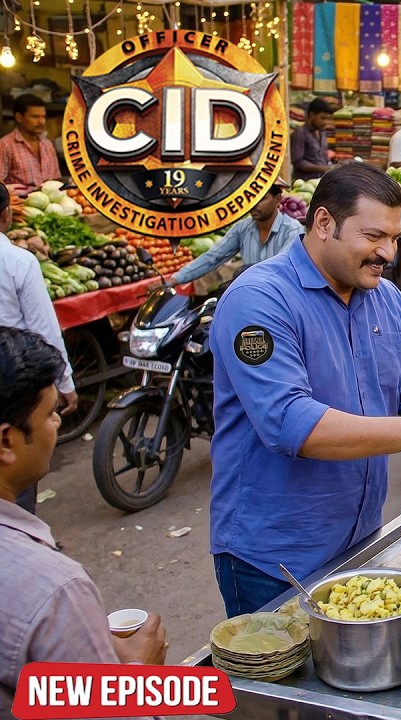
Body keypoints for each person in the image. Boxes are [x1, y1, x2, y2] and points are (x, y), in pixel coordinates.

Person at [208, 164, 401, 615]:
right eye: (373, 237)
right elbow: (292, 425)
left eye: (395, 239)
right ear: (324, 223)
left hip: (360, 539)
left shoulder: (387, 300)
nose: (387, 252)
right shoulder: (259, 300)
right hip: (272, 556)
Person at [0, 328, 170, 715]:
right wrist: (140, 674)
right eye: (48, 415)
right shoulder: (54, 591)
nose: (57, 425)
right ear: (6, 442)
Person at [0, 184, 76, 515]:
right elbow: (43, 328)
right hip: (15, 385)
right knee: (15, 479)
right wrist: (65, 383)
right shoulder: (19, 261)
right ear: (7, 215)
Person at [173, 181, 303, 285]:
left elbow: (281, 269)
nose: (254, 204)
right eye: (251, 198)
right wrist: (175, 279)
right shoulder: (243, 228)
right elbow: (213, 257)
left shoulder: (292, 230)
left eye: (262, 199)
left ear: (278, 199)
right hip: (251, 293)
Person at [0, 94, 61, 192]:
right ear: (19, 117)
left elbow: (56, 180)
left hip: (49, 203)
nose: (41, 122)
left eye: (43, 117)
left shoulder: (47, 145)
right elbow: (0, 186)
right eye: (35, 117)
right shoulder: (5, 145)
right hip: (19, 204)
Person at [290, 98, 333, 181]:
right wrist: (323, 169)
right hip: (304, 183)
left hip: (320, 181)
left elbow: (324, 157)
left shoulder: (322, 132)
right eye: (322, 118)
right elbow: (298, 162)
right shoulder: (300, 133)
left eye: (327, 119)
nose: (325, 122)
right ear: (312, 114)